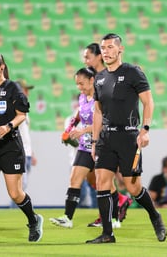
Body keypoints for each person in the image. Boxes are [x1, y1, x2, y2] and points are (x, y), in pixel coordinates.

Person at [87, 33, 167, 244]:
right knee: (102, 183)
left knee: (133, 188)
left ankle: (155, 216)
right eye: (103, 48)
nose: (106, 51)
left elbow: (149, 102)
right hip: (106, 137)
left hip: (129, 136)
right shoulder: (100, 78)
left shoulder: (133, 72)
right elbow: (97, 112)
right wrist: (94, 141)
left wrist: (145, 129)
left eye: (111, 47)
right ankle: (107, 234)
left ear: (120, 49)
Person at [0, 52, 43, 244]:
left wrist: (8, 126)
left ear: (1, 67)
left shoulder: (13, 88)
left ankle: (33, 219)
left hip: (10, 145)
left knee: (15, 193)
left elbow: (22, 114)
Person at [49, 67, 116, 228]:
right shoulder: (82, 97)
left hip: (102, 145)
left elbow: (106, 122)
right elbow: (79, 114)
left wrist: (83, 130)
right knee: (75, 178)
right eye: (77, 84)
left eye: (82, 83)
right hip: (85, 146)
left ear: (92, 80)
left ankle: (114, 219)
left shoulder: (102, 97)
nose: (80, 87)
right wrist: (70, 128)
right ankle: (67, 218)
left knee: (105, 184)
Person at [83, 43, 133, 227]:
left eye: (88, 56)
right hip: (98, 133)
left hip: (113, 133)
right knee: (94, 176)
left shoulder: (110, 74)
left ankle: (110, 214)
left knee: (104, 176)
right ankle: (119, 201)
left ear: (98, 57)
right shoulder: (94, 77)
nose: (85, 60)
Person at [16, 80, 37, 191]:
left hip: (27, 152)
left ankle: (15, 208)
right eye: (25, 90)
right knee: (20, 186)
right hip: (20, 152)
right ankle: (15, 208)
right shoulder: (14, 109)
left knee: (22, 186)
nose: (27, 93)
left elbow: (25, 133)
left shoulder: (23, 109)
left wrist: (31, 152)